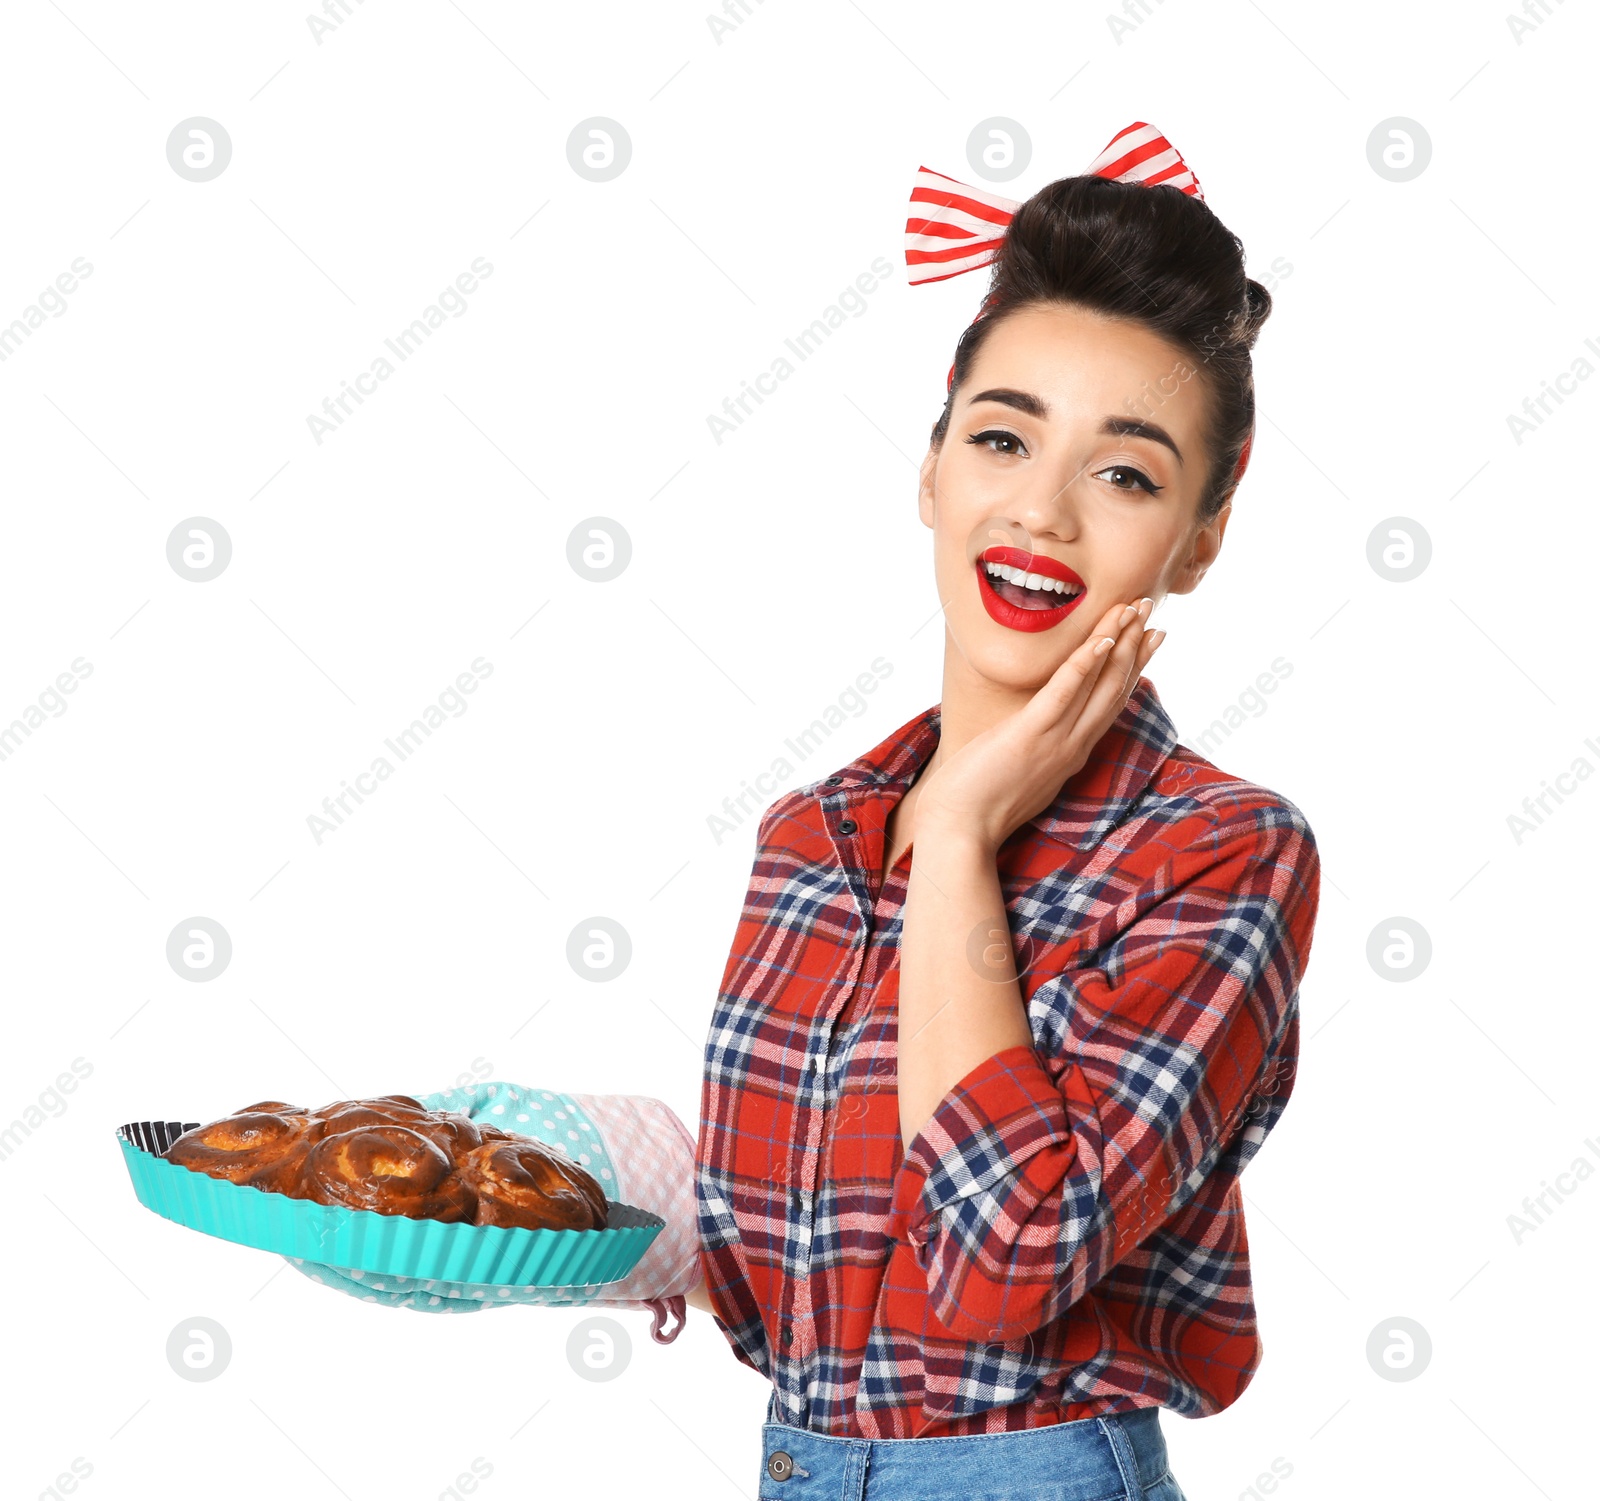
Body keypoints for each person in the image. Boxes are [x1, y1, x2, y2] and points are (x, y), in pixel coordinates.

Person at [687, 125, 1322, 1501]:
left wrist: (965, 837)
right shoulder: (815, 836)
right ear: (930, 470)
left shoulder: (1219, 853)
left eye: (1125, 474)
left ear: (1200, 537)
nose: (1039, 513)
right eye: (1000, 437)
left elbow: (1003, 1256)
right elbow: (775, 1268)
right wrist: (508, 1203)